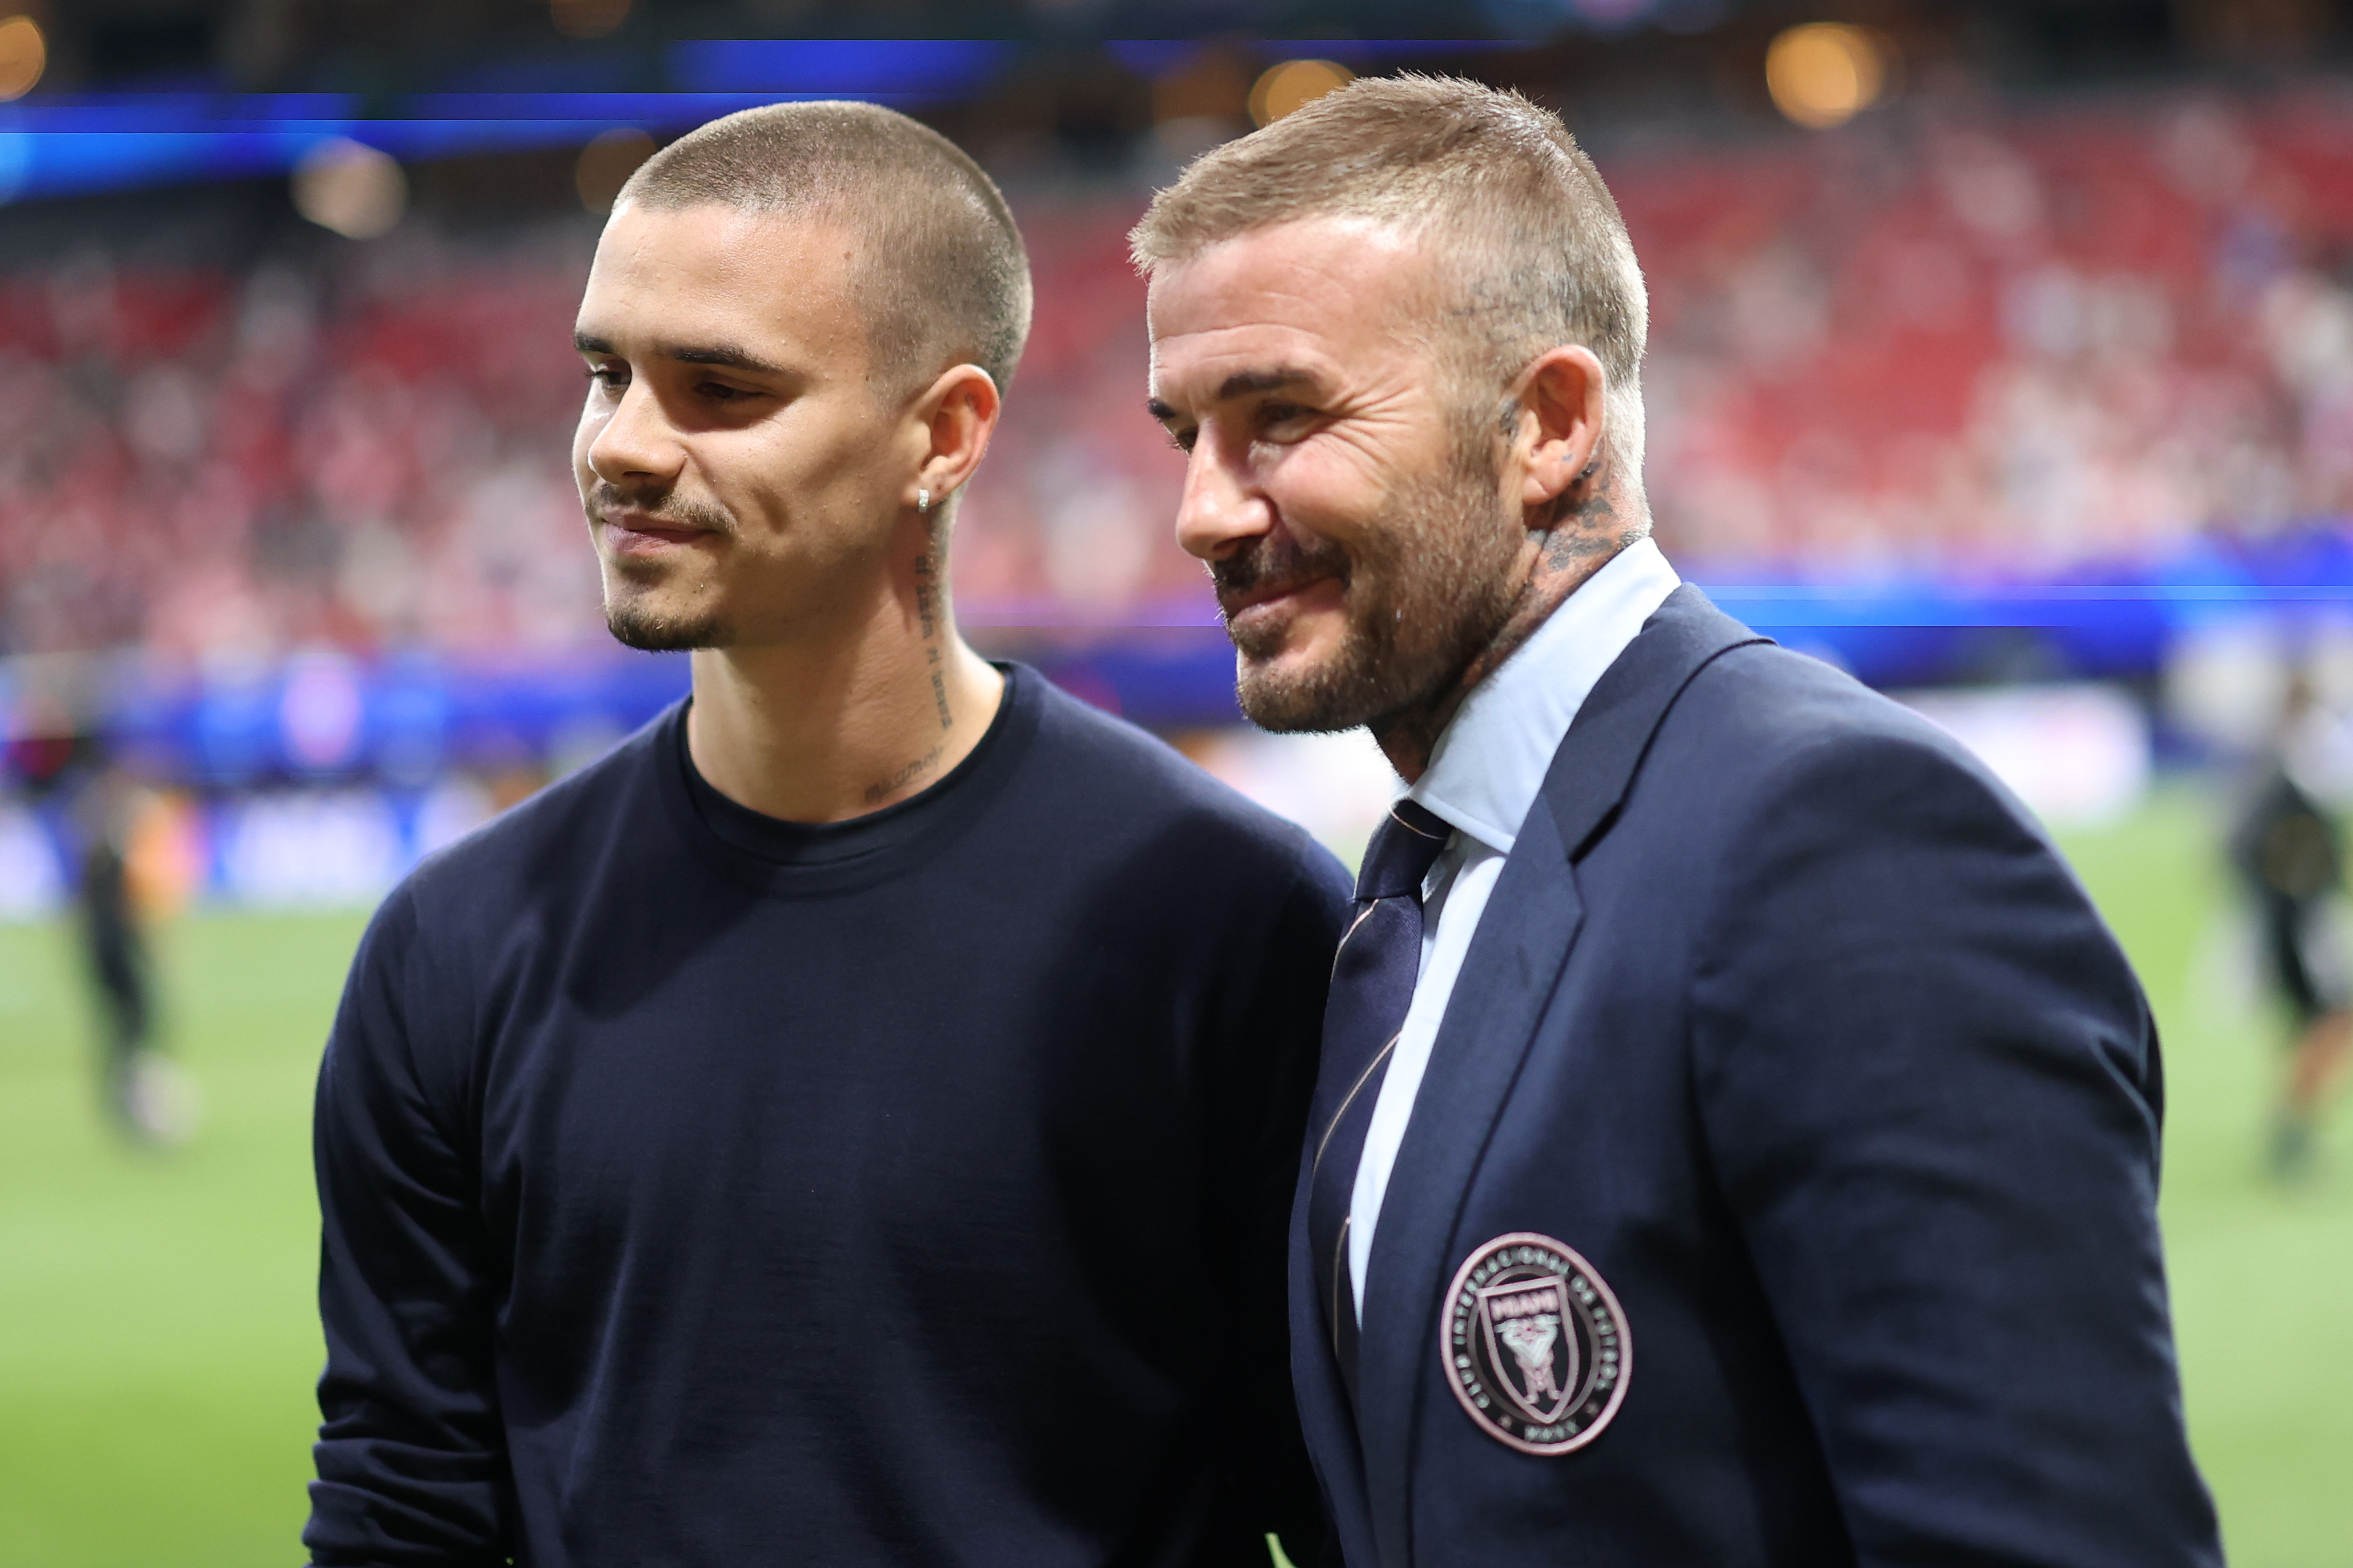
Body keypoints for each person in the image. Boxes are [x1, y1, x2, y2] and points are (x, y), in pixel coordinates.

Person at [1135, 77, 2220, 1567]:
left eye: (1278, 417)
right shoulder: (1420, 881)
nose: (1200, 508)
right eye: (1183, 431)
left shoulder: (1838, 844)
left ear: (1548, 425)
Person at [306, 101, 1347, 1567]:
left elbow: (1344, 1498)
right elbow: (401, 1502)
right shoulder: (456, 950)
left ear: (942, 433)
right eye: (606, 375)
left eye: (719, 388)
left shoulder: (1234, 926)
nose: (622, 447)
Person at [2230, 668, 2353, 1180]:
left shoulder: (2275, 773)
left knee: (2322, 1025)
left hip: (2292, 924)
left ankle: (2292, 1125)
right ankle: (2290, 1128)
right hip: (2299, 929)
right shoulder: (2301, 769)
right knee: (2332, 1022)